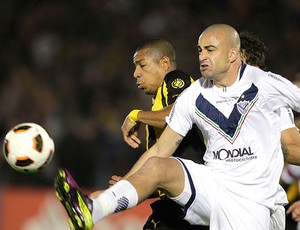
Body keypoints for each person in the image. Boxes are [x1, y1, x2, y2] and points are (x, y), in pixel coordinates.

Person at [54, 24, 300, 230]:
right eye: (200, 50)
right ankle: (94, 209)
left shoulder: (266, 86)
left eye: (210, 49)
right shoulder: (194, 95)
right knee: (160, 166)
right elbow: (159, 150)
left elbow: (291, 144)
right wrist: (115, 191)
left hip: (253, 199)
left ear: (233, 55)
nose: (202, 56)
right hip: (214, 184)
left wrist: (271, 150)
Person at [118, 39, 207, 230]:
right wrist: (130, 183)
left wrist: (136, 115)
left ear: (164, 64)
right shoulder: (157, 107)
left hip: (193, 198)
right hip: (178, 201)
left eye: (142, 65)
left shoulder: (176, 79)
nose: (136, 74)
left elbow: (176, 114)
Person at [240, 30, 300, 230]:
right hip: (225, 196)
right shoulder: (206, 93)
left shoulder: (270, 95)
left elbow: (295, 149)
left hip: (262, 202)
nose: (204, 57)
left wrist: (270, 151)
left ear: (242, 56)